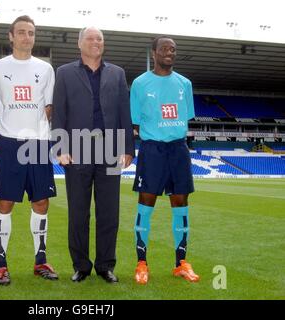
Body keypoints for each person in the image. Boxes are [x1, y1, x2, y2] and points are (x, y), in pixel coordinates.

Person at [52, 27, 134, 283]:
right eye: (90, 38)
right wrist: (60, 147)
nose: (96, 42)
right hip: (77, 149)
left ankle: (105, 265)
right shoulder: (64, 73)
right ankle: (81, 266)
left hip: (110, 150)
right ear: (79, 44)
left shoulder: (117, 73)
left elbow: (124, 111)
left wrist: (128, 147)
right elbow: (59, 111)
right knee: (78, 212)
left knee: (109, 212)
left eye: (99, 38)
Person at [0, 15, 58, 285]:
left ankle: (40, 261)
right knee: (5, 203)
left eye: (31, 33)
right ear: (11, 36)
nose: (27, 37)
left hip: (38, 143)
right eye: (22, 32)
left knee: (41, 203)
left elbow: (50, 109)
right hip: (9, 142)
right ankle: (1, 264)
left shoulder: (46, 69)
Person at [130, 36, 200, 285]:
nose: (169, 52)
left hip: (178, 150)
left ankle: (181, 263)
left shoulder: (185, 84)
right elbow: (135, 121)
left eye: (173, 49)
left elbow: (185, 117)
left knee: (180, 204)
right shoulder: (140, 83)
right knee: (146, 204)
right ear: (154, 52)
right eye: (164, 49)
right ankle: (142, 263)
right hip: (152, 150)